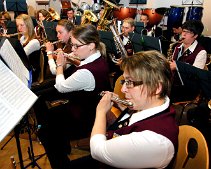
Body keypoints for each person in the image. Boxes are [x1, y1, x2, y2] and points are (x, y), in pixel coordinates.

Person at [70, 50, 179, 169]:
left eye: (130, 82)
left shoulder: (154, 141)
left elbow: (97, 151)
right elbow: (129, 126)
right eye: (124, 81)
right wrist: (119, 110)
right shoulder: (148, 104)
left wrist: (101, 111)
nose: (123, 90)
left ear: (156, 88)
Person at [36, 24, 111, 169]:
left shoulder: (86, 72)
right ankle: (62, 147)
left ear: (91, 45)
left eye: (77, 46)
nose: (74, 50)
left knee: (44, 133)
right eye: (72, 45)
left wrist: (59, 65)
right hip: (86, 109)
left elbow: (61, 87)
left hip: (84, 118)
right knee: (49, 116)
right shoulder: (98, 58)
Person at [169, 20, 207, 102]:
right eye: (183, 31)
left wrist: (178, 67)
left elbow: (196, 75)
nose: (183, 34)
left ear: (196, 35)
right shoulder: (177, 47)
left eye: (188, 32)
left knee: (162, 95)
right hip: (174, 83)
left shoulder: (201, 52)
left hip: (187, 88)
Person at [16, 14, 41, 82]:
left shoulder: (34, 42)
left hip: (32, 73)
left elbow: (19, 56)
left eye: (21, 25)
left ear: (28, 25)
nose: (19, 28)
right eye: (17, 25)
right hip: (24, 69)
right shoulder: (22, 38)